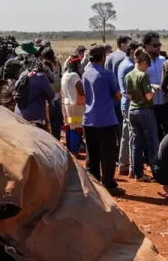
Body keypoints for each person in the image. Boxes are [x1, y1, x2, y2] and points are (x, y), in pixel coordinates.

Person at [82, 44, 125, 196]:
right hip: (106, 119)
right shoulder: (107, 75)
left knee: (92, 154)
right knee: (108, 154)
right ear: (103, 58)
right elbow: (117, 95)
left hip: (88, 119)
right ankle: (108, 184)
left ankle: (93, 184)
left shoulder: (85, 74)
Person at [125, 48, 161, 182]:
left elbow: (129, 96)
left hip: (132, 110)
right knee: (152, 142)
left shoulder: (128, 76)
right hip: (145, 111)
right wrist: (154, 90)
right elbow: (148, 96)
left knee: (136, 143)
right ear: (143, 62)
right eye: (147, 64)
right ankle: (156, 173)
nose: (147, 67)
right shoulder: (143, 76)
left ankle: (138, 173)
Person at [116, 41, 143, 177]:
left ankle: (124, 165)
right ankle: (133, 168)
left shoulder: (123, 63)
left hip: (125, 103)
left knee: (126, 135)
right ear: (133, 51)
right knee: (133, 137)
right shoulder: (131, 66)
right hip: (131, 104)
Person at [142, 32, 168, 138]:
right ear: (146, 46)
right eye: (155, 45)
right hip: (150, 105)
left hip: (165, 104)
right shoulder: (142, 62)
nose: (158, 48)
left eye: (159, 45)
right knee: (154, 135)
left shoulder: (163, 60)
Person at [14, 54, 55, 132]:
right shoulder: (41, 76)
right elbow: (51, 95)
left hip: (19, 113)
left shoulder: (24, 74)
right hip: (34, 117)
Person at [42, 48, 64, 140]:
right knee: (56, 119)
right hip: (57, 94)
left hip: (51, 95)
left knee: (52, 120)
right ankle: (56, 137)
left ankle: (54, 138)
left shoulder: (45, 65)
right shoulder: (56, 62)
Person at [61, 56, 86, 136]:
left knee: (70, 126)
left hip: (67, 104)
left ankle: (69, 144)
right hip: (76, 106)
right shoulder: (74, 75)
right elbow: (81, 91)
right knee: (77, 127)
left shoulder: (65, 74)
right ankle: (75, 144)